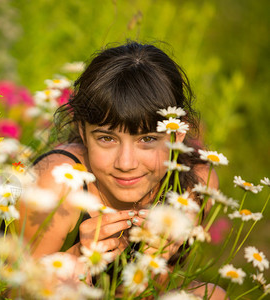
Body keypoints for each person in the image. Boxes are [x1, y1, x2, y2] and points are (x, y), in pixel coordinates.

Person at [17, 41, 226, 298]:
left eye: (147, 139)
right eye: (107, 138)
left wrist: (154, 265)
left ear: (178, 134)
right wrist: (77, 260)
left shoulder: (195, 186)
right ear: (82, 131)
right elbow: (8, 290)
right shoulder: (56, 184)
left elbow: (145, 293)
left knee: (212, 294)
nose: (126, 164)